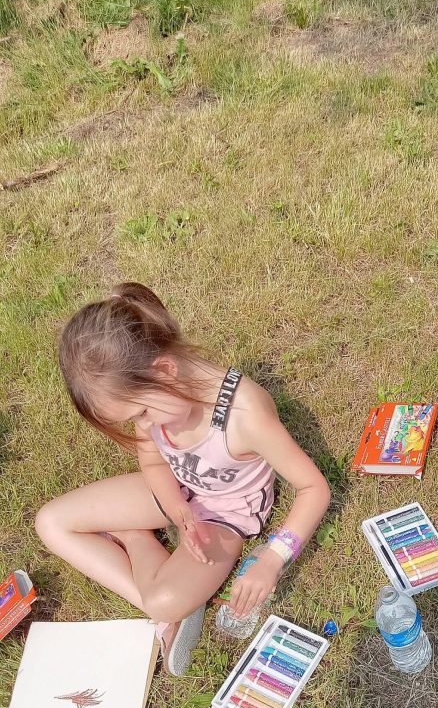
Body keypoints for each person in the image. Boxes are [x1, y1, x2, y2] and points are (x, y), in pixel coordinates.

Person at [36, 283, 331, 675]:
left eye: (141, 414)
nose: (143, 425)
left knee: (161, 601)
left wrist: (272, 559)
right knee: (51, 522)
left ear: (164, 371)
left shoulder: (245, 416)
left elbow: (314, 489)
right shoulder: (154, 394)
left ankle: (137, 544)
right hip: (175, 491)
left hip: (225, 514)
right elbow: (154, 461)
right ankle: (150, 558)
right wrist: (176, 507)